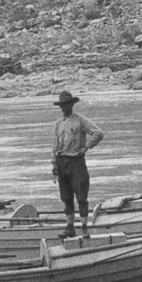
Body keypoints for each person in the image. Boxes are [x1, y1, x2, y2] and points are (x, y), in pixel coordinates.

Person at [50, 90, 104, 238]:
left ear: (72, 105)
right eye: (62, 105)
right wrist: (54, 164)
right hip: (62, 162)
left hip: (76, 162)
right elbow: (55, 146)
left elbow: (98, 133)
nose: (65, 108)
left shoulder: (81, 120)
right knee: (66, 197)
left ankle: (85, 227)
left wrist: (86, 147)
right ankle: (70, 227)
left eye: (67, 105)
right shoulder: (57, 124)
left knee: (81, 196)